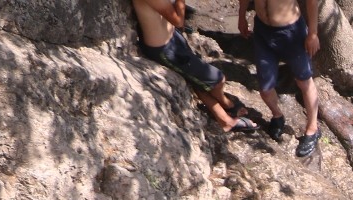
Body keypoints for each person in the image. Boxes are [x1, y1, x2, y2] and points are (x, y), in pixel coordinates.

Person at [131, 0, 259, 134]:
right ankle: (227, 109)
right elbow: (178, 21)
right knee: (218, 79)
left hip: (172, 38)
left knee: (195, 78)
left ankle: (225, 117)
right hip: (163, 50)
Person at [239, 0, 323, 158]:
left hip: (291, 31)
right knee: (265, 88)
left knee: (303, 81)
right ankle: (277, 116)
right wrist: (241, 15)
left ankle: (313, 129)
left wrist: (313, 33)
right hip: (263, 31)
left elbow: (312, 2)